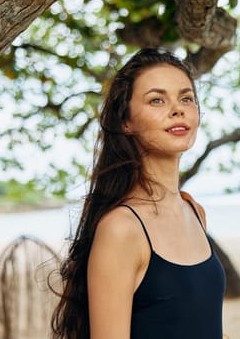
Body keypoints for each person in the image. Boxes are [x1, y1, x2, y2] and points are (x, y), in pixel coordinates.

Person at [50, 48, 226, 339]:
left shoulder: (194, 211)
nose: (177, 109)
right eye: (157, 100)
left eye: (186, 98)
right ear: (126, 122)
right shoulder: (121, 228)